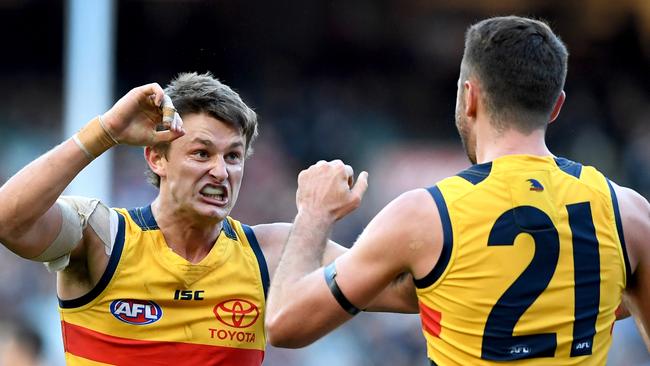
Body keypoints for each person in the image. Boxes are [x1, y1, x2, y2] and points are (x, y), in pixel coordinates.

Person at [265, 16, 650, 365]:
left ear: (471, 97)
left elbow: (284, 324)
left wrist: (315, 213)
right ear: (555, 107)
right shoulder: (628, 213)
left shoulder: (424, 216)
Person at [0, 72, 417, 365]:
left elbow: (405, 291)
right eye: (202, 153)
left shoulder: (270, 253)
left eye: (233, 156)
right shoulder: (103, 237)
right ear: (157, 157)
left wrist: (317, 216)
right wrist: (106, 130)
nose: (221, 171)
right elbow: (8, 220)